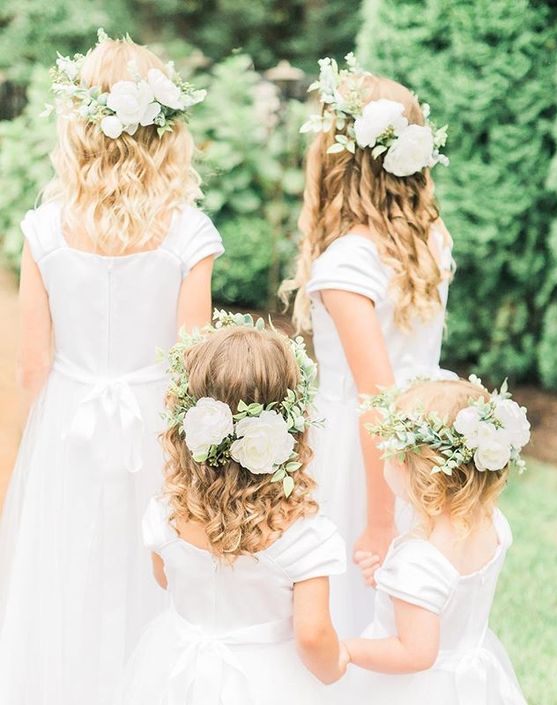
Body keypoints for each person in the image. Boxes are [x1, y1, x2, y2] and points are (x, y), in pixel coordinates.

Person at [0, 31, 223, 705]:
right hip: (155, 431)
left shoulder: (44, 229)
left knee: (64, 574)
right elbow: (192, 374)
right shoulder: (190, 234)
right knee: (146, 573)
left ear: (79, 125)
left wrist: (11, 472)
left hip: (66, 425)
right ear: (164, 130)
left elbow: (31, 364)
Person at [280, 52, 452, 633]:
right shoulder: (431, 238)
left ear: (335, 159)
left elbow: (376, 407)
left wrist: (379, 522)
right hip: (428, 440)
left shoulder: (348, 264)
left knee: (355, 604)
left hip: (363, 462)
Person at [116, 312, 348, 705]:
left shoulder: (169, 512)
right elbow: (312, 635)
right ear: (290, 422)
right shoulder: (304, 535)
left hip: (179, 670)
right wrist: (336, 665)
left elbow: (165, 578)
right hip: (270, 683)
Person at [345, 376, 529, 704]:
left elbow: (415, 653)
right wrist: (394, 583)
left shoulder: (419, 559)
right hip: (471, 677)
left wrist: (346, 648)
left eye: (388, 451)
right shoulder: (493, 524)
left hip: (416, 691)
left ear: (407, 465)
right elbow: (444, 596)